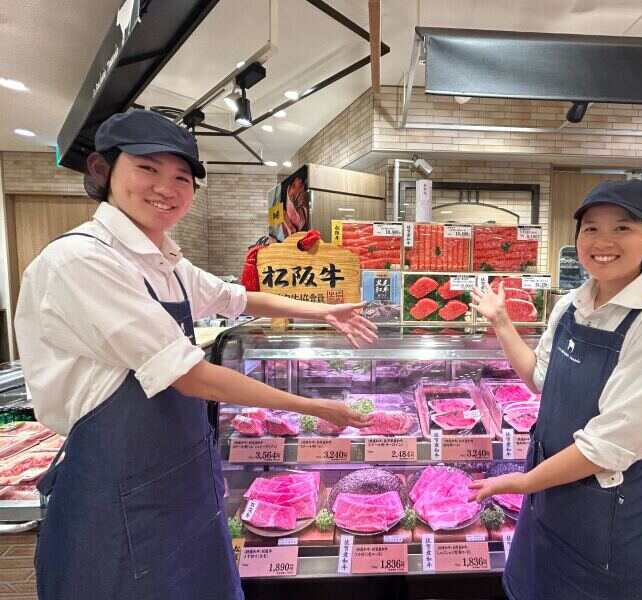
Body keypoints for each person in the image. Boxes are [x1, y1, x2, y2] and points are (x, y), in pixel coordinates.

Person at [15, 109, 378, 600]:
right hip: (116, 492)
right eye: (147, 168)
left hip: (181, 482)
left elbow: (236, 298)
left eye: (181, 178)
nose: (166, 188)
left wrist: (324, 311)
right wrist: (313, 407)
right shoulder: (82, 260)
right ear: (103, 171)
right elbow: (188, 376)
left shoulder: (163, 258)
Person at [469, 180, 642, 600]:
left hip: (623, 524)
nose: (603, 241)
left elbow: (608, 446)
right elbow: (540, 379)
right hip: (552, 508)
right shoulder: (572, 304)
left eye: (622, 228)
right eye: (591, 228)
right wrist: (502, 323)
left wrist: (527, 482)